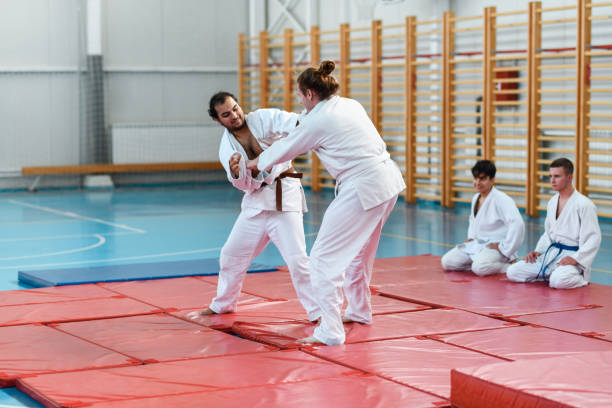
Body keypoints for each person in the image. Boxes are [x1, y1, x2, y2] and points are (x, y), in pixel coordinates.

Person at [246, 61, 406, 346]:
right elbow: (301, 130)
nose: (298, 100)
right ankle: (359, 310)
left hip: (364, 187)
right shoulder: (348, 104)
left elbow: (286, 148)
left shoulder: (318, 120)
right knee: (360, 253)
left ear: (309, 93)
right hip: (388, 181)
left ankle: (330, 330)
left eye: (299, 94)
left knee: (322, 260)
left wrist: (255, 163)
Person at [194, 91, 320, 321]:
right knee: (231, 255)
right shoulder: (227, 149)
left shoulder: (262, 118)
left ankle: (319, 312)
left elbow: (289, 121)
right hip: (256, 204)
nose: (234, 115)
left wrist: (305, 122)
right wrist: (236, 173)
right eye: (226, 114)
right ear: (217, 120)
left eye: (235, 108)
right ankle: (224, 303)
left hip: (283, 200)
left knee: (297, 259)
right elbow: (243, 185)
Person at [507, 158, 601, 289]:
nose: (552, 180)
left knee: (558, 281)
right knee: (513, 272)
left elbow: (593, 238)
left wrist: (576, 259)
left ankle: (580, 278)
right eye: (550, 176)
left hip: (571, 257)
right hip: (551, 254)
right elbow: (548, 233)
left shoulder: (584, 204)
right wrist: (538, 251)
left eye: (557, 176)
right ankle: (550, 274)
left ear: (569, 177)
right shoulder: (552, 202)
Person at [441, 160, 525, 276]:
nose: (478, 182)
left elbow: (517, 223)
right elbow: (473, 221)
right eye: (475, 178)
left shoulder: (502, 199)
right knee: (447, 262)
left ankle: (510, 266)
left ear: (492, 180)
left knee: (480, 268)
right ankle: (484, 262)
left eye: (482, 179)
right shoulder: (476, 198)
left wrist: (505, 247)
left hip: (496, 246)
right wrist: (471, 237)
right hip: (478, 243)